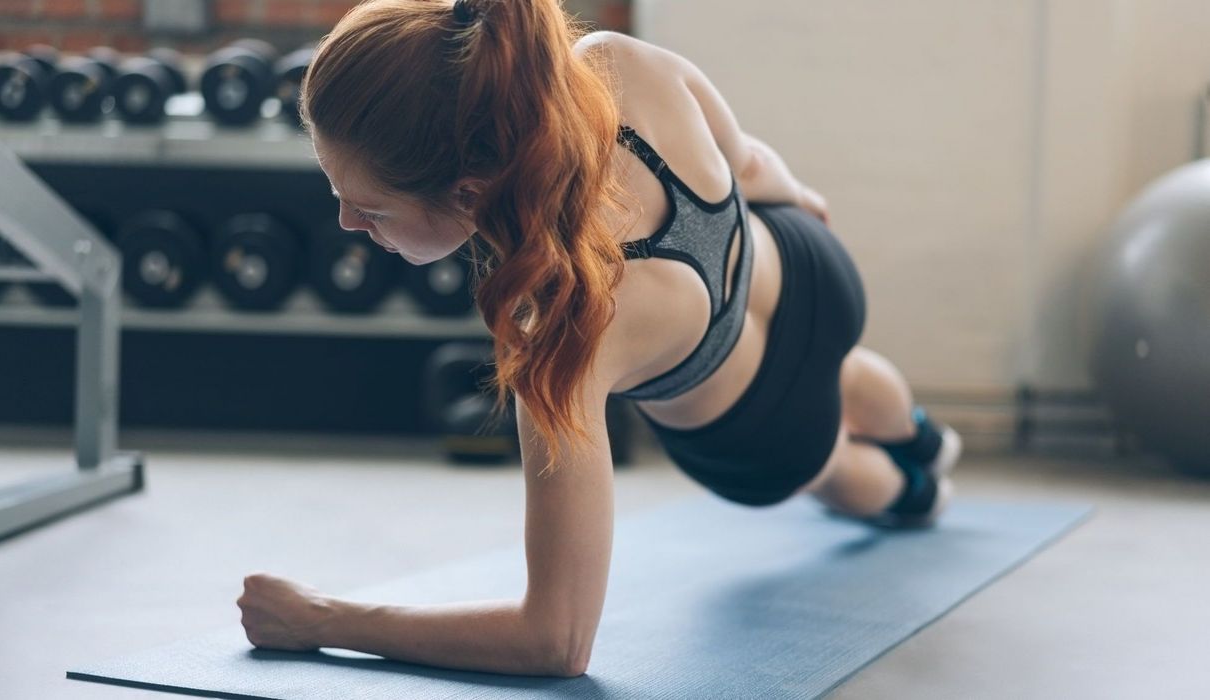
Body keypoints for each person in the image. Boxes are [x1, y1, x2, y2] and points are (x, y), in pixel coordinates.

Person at [236, 0, 963, 678]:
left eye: (367, 208)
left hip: (763, 429)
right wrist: (807, 209)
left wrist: (321, 619)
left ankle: (918, 492)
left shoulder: (561, 327)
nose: (346, 226)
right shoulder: (614, 63)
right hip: (808, 269)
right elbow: (750, 166)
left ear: (467, 193)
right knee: (846, 371)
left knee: (833, 462)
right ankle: (925, 435)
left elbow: (554, 639)